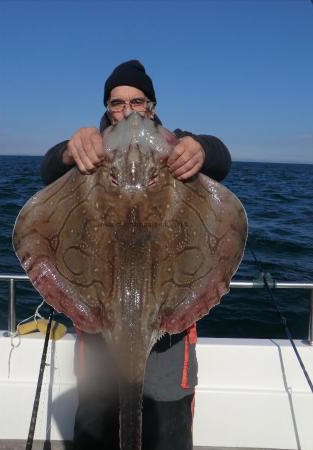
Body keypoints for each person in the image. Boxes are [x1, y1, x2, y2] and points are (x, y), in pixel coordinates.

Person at [40, 60, 231, 450]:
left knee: (168, 431)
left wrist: (201, 147)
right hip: (100, 326)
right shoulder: (90, 148)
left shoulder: (176, 145)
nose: (127, 110)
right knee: (96, 424)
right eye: (116, 103)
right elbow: (47, 168)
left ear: (153, 106)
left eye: (137, 101)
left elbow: (221, 157)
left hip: (168, 336)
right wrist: (67, 150)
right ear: (107, 109)